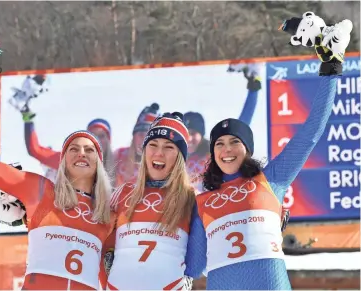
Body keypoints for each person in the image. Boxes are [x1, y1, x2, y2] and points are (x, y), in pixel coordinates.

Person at [184, 17, 351, 290]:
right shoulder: (202, 202)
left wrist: (331, 68)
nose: (226, 150)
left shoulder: (271, 178)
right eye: (219, 144)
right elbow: (193, 265)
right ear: (212, 153)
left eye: (234, 142)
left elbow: (311, 132)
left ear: (247, 149)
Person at [0, 85, 114, 290]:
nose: (81, 153)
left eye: (89, 150)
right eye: (74, 149)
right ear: (62, 162)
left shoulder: (108, 214)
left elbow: (112, 277)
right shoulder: (41, 190)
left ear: (99, 162)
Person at [106, 112, 196, 290]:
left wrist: (189, 275)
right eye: (153, 145)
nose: (158, 153)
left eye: (169, 147)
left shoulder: (192, 198)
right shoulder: (123, 193)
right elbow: (97, 234)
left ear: (180, 156)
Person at [22, 105, 115, 183]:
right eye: (93, 135)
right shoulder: (68, 159)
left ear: (108, 140)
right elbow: (35, 150)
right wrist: (28, 120)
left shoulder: (119, 166)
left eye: (102, 136)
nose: (97, 140)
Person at [113, 103, 159, 187]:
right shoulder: (118, 155)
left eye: (148, 136)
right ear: (133, 136)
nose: (143, 140)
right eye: (141, 134)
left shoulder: (161, 164)